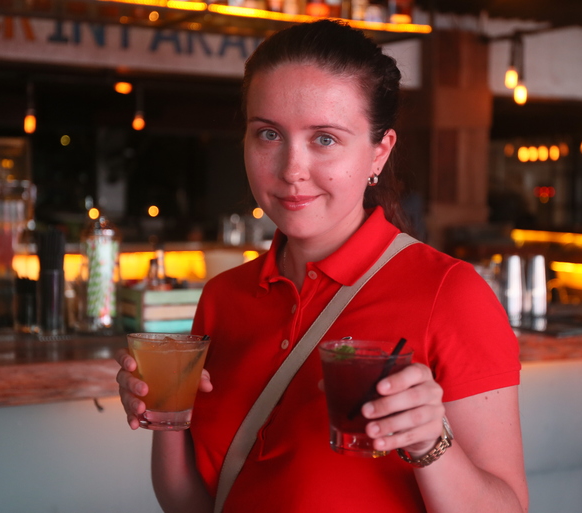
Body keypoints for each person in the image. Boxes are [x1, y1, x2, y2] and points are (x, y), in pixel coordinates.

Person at [116, 20, 528, 513]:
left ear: (379, 152)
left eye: (325, 139)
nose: (292, 169)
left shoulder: (451, 293)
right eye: (269, 134)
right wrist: (164, 412)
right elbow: (193, 504)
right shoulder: (223, 297)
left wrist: (429, 443)